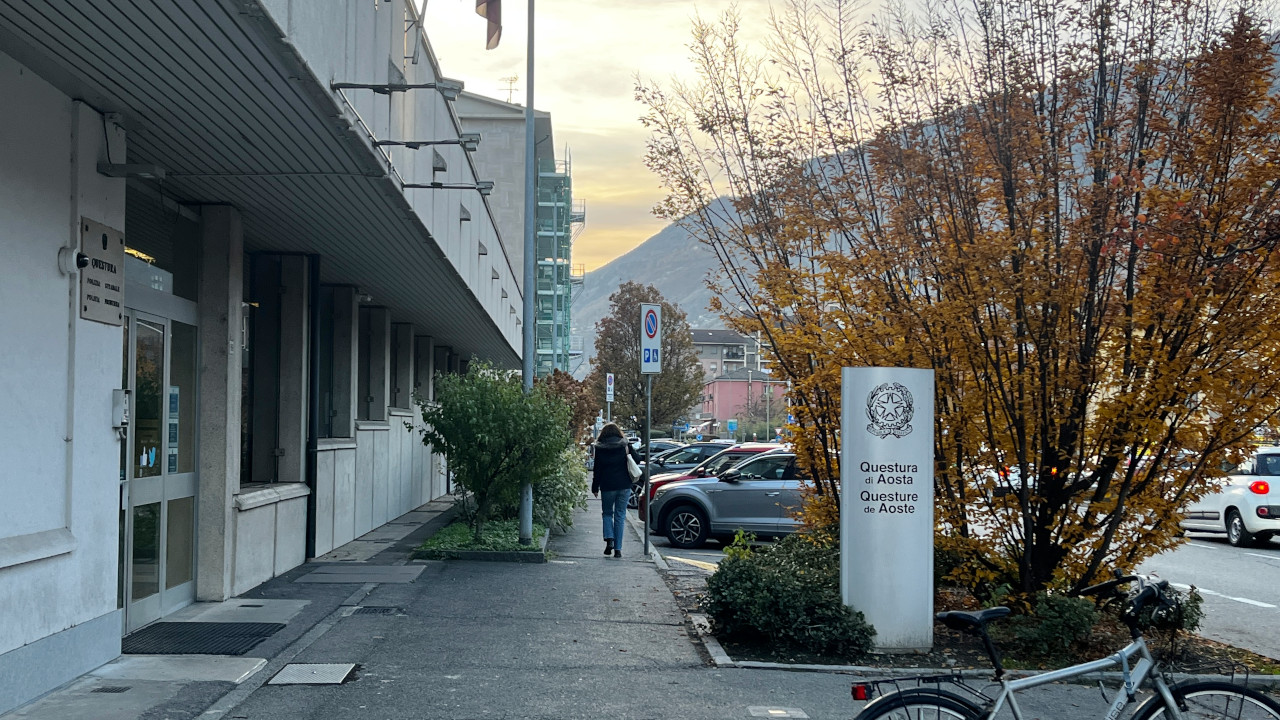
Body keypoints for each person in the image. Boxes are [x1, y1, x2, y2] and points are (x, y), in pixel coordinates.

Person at [591, 422, 639, 558]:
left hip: (607, 486)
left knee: (607, 514)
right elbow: (638, 459)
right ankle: (618, 549)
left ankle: (609, 539)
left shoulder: (600, 448)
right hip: (624, 485)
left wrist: (595, 487)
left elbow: (597, 470)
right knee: (620, 515)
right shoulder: (625, 445)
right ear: (618, 432)